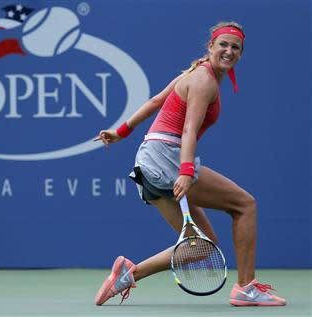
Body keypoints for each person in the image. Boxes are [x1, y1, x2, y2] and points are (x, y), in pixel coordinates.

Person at [93, 22, 287, 307]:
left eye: (236, 47)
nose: (229, 51)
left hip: (148, 162)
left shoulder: (193, 73)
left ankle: (128, 274)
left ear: (240, 54)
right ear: (210, 46)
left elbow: (157, 101)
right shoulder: (204, 81)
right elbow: (188, 130)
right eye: (223, 44)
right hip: (166, 158)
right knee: (245, 205)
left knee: (201, 246)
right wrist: (185, 173)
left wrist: (121, 132)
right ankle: (246, 287)